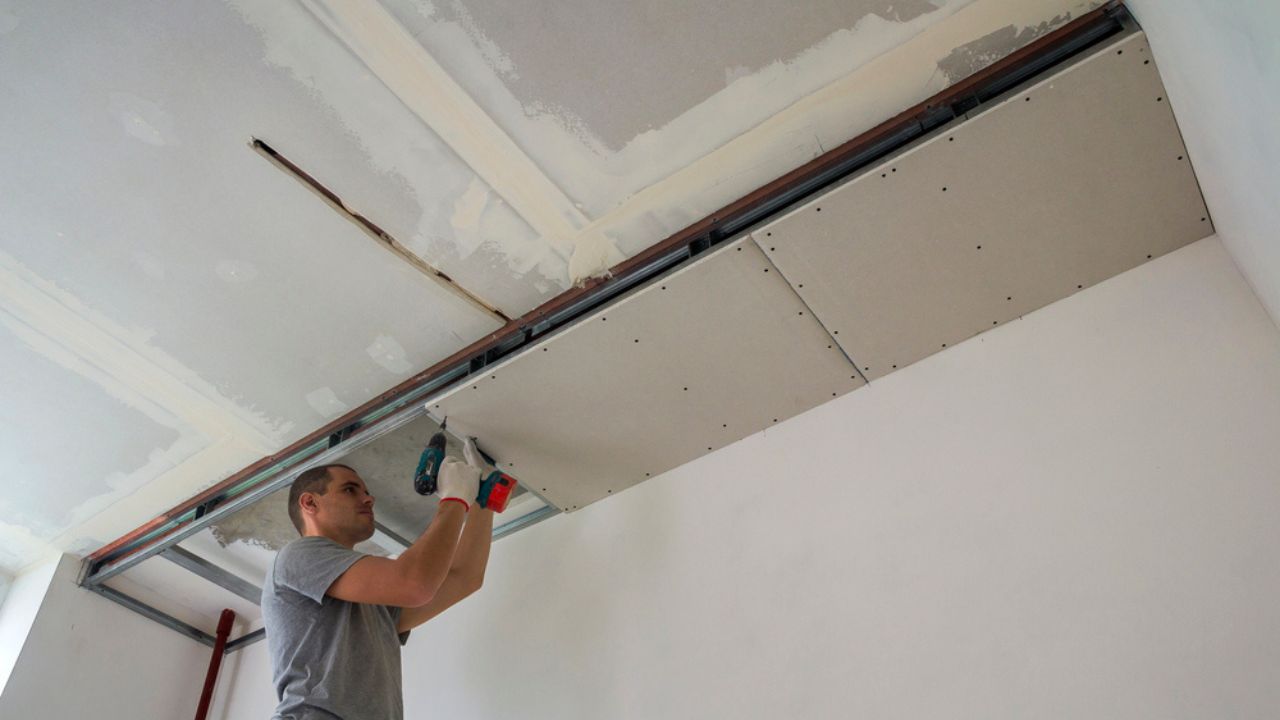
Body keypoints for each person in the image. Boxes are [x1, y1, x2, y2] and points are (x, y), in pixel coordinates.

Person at [261, 444, 490, 720]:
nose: (369, 499)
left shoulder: (371, 601)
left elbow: (464, 578)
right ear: (310, 503)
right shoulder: (297, 556)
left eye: (366, 492)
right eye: (350, 489)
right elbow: (415, 584)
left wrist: (482, 500)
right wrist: (455, 499)